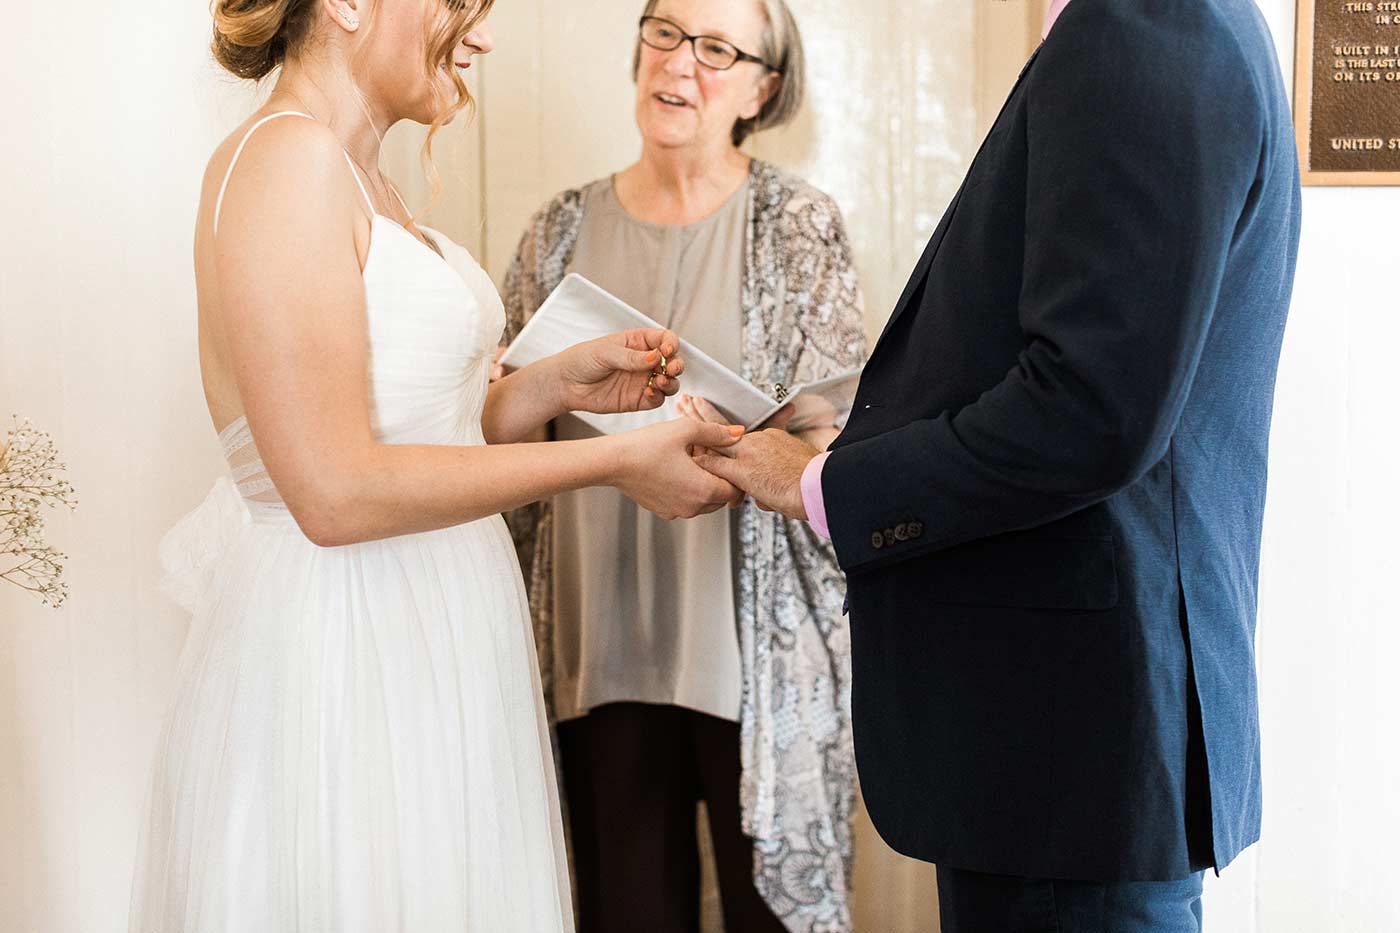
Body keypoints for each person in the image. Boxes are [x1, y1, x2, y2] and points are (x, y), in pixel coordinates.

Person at [128, 1, 750, 930]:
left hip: (433, 630)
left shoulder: (360, 174)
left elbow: (417, 434)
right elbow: (334, 491)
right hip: (348, 649)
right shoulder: (287, 161)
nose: (484, 38)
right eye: (464, 4)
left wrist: (547, 387)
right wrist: (612, 465)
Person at [696, 1, 1302, 930]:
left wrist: (817, 485)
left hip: (1068, 752)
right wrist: (857, 421)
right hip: (1068, 754)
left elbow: (1089, 411)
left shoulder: (1144, 23)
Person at [499, 1, 865, 929]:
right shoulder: (554, 233)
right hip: (597, 647)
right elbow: (499, 428)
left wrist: (742, 447)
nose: (680, 64)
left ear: (762, 87)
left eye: (716, 49)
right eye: (665, 32)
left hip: (755, 664)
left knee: (768, 912)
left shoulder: (800, 227)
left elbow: (841, 438)